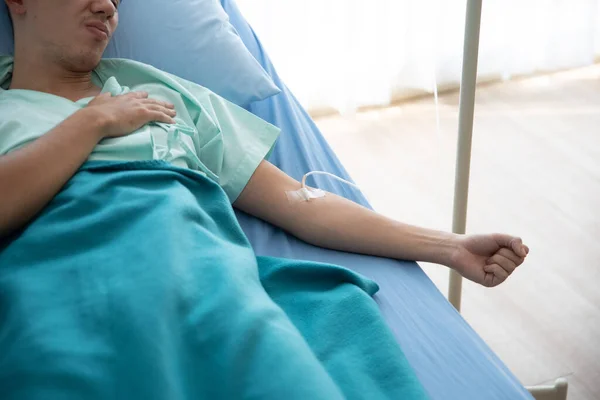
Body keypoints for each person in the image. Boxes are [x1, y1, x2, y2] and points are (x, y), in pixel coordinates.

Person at [0, 1, 529, 399]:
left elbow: (300, 202)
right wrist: (94, 122)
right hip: (60, 295)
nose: (108, 7)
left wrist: (451, 246)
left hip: (204, 284)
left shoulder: (161, 94)